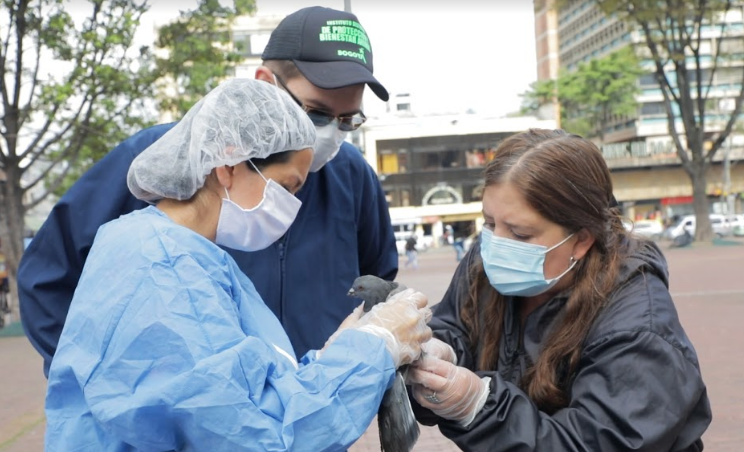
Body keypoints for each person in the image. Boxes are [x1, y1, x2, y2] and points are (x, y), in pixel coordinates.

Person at [44, 79, 432, 451]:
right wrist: (373, 347)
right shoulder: (166, 271)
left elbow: (248, 385)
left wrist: (333, 358)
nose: (290, 210)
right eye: (285, 187)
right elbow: (256, 433)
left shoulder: (181, 254)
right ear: (228, 164)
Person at [18, 6, 397, 376]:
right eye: (316, 114)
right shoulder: (158, 162)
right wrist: (95, 380)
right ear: (265, 84)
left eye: (347, 120)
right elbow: (48, 275)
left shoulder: (352, 178)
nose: (328, 134)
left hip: (313, 414)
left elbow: (376, 287)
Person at [406, 129, 711, 451]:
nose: (497, 244)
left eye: (521, 234)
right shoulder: (484, 262)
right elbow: (456, 323)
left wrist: (478, 406)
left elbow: (599, 442)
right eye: (491, 223)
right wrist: (434, 350)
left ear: (581, 239)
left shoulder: (639, 328)